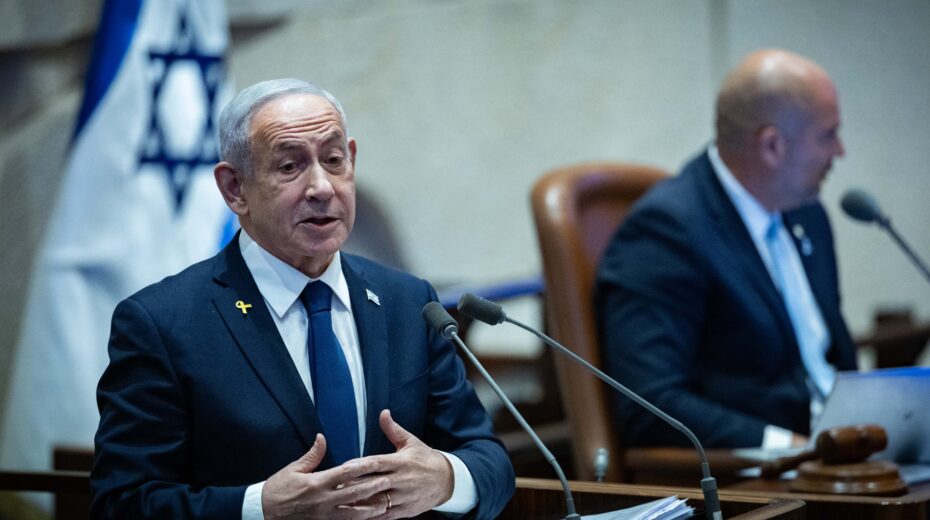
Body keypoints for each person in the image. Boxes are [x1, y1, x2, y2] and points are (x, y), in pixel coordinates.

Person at [91, 79, 514, 519]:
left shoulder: (407, 301)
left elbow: (490, 461)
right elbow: (120, 504)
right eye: (290, 166)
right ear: (235, 189)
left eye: (334, 161)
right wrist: (260, 507)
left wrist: (445, 479)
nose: (322, 187)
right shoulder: (162, 323)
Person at [595, 49, 858, 449]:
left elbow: (831, 361)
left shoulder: (807, 214)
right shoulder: (667, 232)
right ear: (772, 147)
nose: (840, 151)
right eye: (828, 135)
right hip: (762, 477)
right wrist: (786, 447)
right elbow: (651, 406)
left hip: (849, 453)